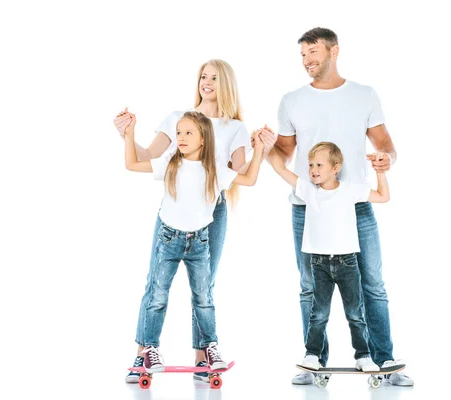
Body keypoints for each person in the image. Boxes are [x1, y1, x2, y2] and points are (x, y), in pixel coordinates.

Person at [261, 27, 413, 386]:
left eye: (313, 52)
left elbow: (386, 144)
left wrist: (385, 160)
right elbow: (283, 152)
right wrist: (266, 146)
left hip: (355, 206)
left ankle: (383, 360)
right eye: (302, 54)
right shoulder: (292, 99)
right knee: (310, 287)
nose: (307, 60)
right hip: (307, 207)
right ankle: (316, 362)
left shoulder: (364, 95)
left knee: (372, 284)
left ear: (334, 51)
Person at [115, 59, 276, 383]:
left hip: (211, 213)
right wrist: (127, 135)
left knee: (205, 288)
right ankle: (143, 353)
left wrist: (261, 149)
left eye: (215, 78)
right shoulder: (179, 119)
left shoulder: (235, 128)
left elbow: (243, 175)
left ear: (226, 84)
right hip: (174, 215)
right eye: (203, 76)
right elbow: (145, 157)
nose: (207, 82)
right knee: (156, 286)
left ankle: (204, 356)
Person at [269, 141, 390, 372]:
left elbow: (383, 196)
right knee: (319, 314)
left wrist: (380, 172)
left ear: (335, 168)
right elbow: (282, 169)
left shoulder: (350, 189)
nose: (313, 169)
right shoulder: (308, 190)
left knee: (355, 313)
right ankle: (313, 354)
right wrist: (265, 148)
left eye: (319, 165)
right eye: (311, 164)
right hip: (319, 264)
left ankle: (363, 355)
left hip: (347, 263)